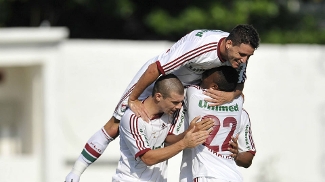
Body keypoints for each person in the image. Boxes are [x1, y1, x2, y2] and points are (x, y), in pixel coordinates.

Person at [65, 24, 260, 181]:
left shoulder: (238, 52)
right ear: (228, 44)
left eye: (248, 56)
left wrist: (232, 95)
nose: (244, 60)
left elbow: (239, 84)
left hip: (184, 88)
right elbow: (155, 68)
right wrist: (133, 99)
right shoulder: (201, 49)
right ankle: (75, 173)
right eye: (242, 55)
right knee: (115, 125)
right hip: (161, 80)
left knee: (165, 133)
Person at [112, 74, 213, 182]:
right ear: (158, 96)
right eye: (175, 102)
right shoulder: (132, 119)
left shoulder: (167, 112)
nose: (179, 106)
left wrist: (189, 132)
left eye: (180, 102)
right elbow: (147, 158)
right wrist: (184, 143)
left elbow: (166, 139)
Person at [172, 66, 256, 182]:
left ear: (214, 87)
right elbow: (247, 160)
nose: (202, 77)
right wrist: (237, 155)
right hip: (233, 177)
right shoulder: (241, 109)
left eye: (206, 76)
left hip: (207, 175)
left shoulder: (194, 95)